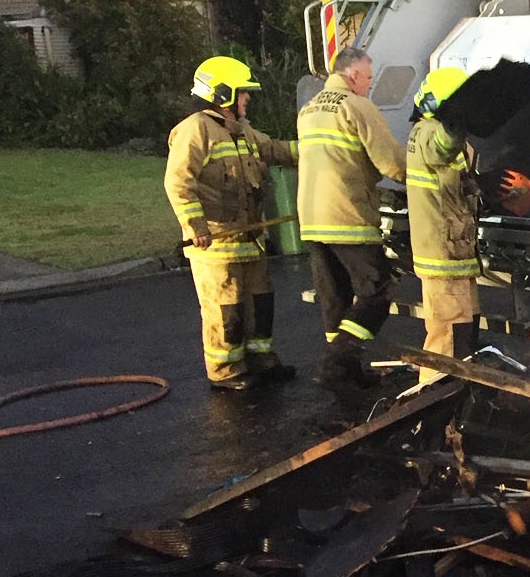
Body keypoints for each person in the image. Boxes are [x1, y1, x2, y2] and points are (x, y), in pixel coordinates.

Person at [164, 55, 298, 391]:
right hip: (218, 244)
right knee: (227, 309)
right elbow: (179, 182)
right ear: (223, 94)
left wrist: (317, 147)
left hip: (251, 240)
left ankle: (261, 360)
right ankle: (225, 372)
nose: (248, 98)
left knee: (260, 303)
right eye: (243, 93)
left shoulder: (242, 131)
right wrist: (196, 226)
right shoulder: (195, 130)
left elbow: (276, 150)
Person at [297, 46, 407, 386]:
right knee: (379, 288)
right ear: (354, 75)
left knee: (336, 298)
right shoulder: (357, 106)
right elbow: (391, 163)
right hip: (347, 217)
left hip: (312, 220)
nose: (371, 86)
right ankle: (337, 360)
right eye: (369, 78)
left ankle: (344, 373)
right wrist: (422, 178)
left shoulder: (309, 108)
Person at [405, 67, 481, 382]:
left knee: (465, 333)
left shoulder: (441, 134)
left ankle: (457, 403)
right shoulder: (427, 133)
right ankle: (432, 406)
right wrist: (459, 123)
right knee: (446, 343)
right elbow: (441, 147)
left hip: (456, 257)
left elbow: (456, 180)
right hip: (443, 260)